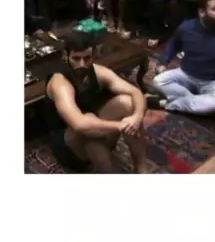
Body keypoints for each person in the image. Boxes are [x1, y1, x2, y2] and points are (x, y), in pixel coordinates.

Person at [45, 32, 148, 173]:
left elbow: (135, 92)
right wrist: (122, 126)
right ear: (66, 56)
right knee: (96, 147)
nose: (82, 64)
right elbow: (79, 123)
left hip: (95, 125)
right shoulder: (60, 83)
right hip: (69, 140)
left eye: (87, 58)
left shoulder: (98, 71)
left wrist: (136, 117)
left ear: (93, 55)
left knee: (128, 103)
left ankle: (142, 169)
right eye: (76, 58)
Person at [151, 0, 215, 116]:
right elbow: (173, 44)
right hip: (186, 74)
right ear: (202, 12)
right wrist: (163, 62)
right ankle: (201, 104)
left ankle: (168, 104)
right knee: (158, 81)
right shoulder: (187, 27)